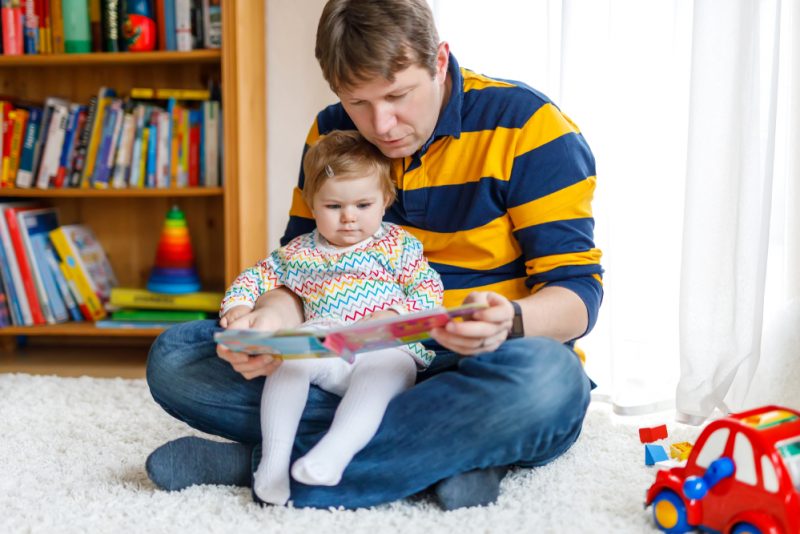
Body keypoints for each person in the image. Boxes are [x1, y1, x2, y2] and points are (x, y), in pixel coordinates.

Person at [145, 0, 603, 510]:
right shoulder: (332, 134)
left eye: (398, 95)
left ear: (441, 61)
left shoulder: (529, 127)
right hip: (348, 354)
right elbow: (297, 271)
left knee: (549, 382)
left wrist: (509, 321)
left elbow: (578, 297)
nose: (381, 125)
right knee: (175, 358)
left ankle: (262, 463)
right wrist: (266, 326)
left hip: (480, 363)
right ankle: (449, 457)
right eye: (358, 102)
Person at [219, 130, 443, 505]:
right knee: (288, 362)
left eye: (363, 205)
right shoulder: (299, 252)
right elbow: (255, 277)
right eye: (334, 207)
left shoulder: (398, 245)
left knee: (391, 368)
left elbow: (428, 290)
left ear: (385, 201)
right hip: (324, 343)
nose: (349, 219)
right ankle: (273, 464)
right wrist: (239, 307)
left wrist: (393, 316)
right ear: (312, 205)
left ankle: (332, 455)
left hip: (382, 344)